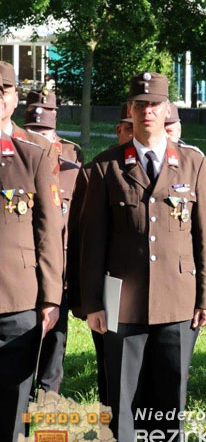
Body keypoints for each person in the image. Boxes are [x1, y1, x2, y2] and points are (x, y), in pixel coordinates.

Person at [80, 71, 206, 442]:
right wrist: (91, 304)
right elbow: (91, 243)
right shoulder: (106, 166)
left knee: (169, 400)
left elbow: (205, 235)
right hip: (123, 305)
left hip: (178, 301)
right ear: (130, 111)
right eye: (139, 105)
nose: (147, 112)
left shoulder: (192, 162)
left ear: (167, 110)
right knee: (120, 401)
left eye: (154, 105)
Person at [0, 67, 63, 442]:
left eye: (3, 90)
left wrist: (51, 297)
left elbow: (48, 229)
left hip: (17, 299)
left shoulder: (34, 151)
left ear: (14, 97)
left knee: (11, 405)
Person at [67, 102, 134, 406]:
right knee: (112, 369)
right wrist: (83, 298)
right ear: (119, 130)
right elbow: (82, 237)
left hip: (154, 291)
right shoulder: (97, 169)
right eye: (129, 127)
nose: (137, 133)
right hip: (111, 288)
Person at [22, 99, 82, 395]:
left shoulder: (72, 172)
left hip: (60, 272)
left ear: (56, 138)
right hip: (22, 272)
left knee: (55, 341)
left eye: (44, 131)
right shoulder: (15, 169)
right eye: (31, 129)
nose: (37, 137)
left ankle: (47, 400)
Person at [24, 87, 83, 164]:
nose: (38, 139)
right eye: (33, 132)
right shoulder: (12, 148)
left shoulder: (71, 153)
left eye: (43, 134)